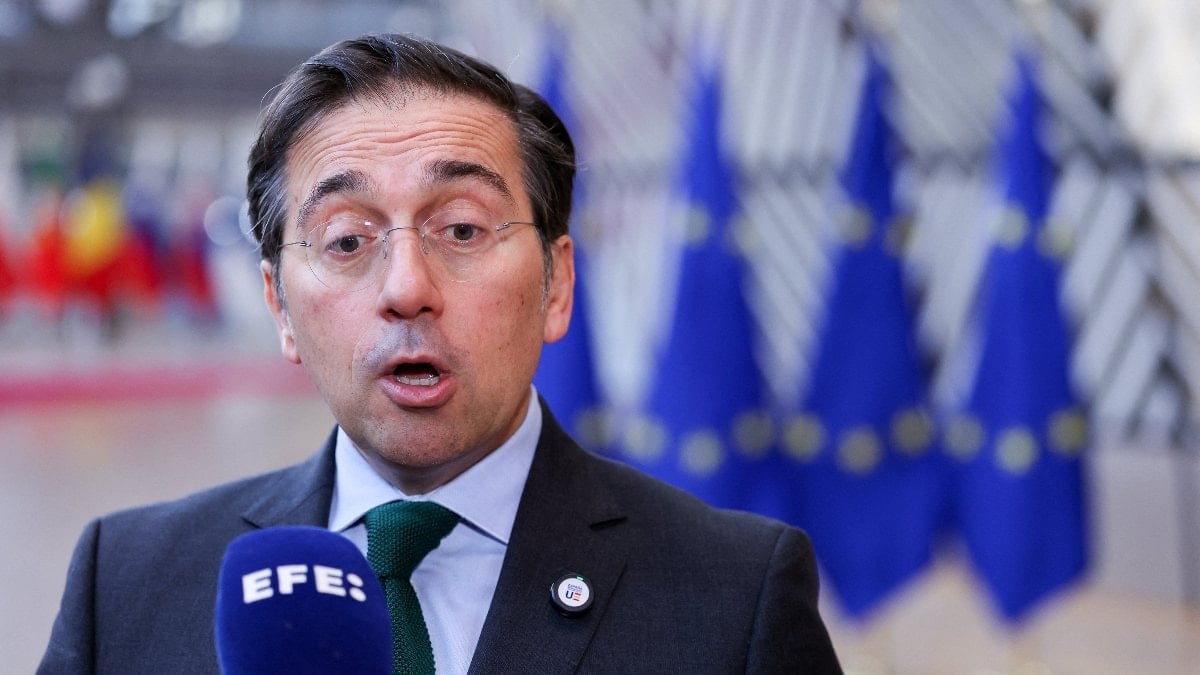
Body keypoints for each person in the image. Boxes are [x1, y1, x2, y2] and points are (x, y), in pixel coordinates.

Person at [38, 33, 842, 674]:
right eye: (347, 239)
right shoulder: (128, 582)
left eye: (461, 228)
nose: (407, 286)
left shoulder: (735, 595)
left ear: (557, 283)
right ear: (279, 304)